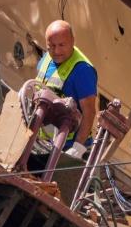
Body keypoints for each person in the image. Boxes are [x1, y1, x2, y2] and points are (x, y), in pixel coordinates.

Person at [35, 19, 98, 158]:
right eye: (51, 46)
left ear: (72, 41)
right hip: (44, 143)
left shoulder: (83, 70)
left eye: (61, 45)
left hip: (67, 147)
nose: (56, 51)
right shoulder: (47, 58)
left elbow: (89, 112)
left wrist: (78, 148)